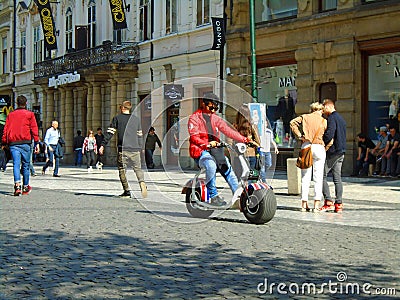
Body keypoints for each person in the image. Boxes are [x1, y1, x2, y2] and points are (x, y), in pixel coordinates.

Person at [188, 92, 249, 206]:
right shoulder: (194, 118)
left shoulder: (215, 118)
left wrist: (245, 140)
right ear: (204, 104)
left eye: (215, 108)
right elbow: (194, 137)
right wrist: (207, 144)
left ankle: (238, 196)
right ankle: (213, 196)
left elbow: (228, 131)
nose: (213, 110)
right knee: (211, 166)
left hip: (216, 150)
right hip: (201, 151)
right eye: (211, 107)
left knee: (227, 168)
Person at [99, 100, 147, 198]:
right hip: (135, 149)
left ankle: (126, 191)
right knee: (137, 169)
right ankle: (142, 183)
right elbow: (140, 135)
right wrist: (141, 147)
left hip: (123, 149)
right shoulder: (136, 119)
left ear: (123, 108)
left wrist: (103, 145)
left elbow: (110, 133)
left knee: (122, 169)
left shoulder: (117, 118)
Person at [290, 102, 327, 212]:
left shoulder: (305, 117)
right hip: (319, 146)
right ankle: (316, 204)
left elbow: (292, 123)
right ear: (320, 110)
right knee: (318, 177)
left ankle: (304, 203)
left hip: (307, 145)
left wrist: (300, 136)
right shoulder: (324, 121)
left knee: (305, 177)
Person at [1, 95, 39, 196]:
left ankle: (17, 185)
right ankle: (25, 186)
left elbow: (6, 129)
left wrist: (4, 142)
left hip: (14, 143)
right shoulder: (30, 114)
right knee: (26, 165)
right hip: (26, 142)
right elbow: (34, 128)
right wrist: (37, 142)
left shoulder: (11, 115)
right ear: (26, 103)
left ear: (17, 103)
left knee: (16, 165)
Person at [320, 99, 346, 213]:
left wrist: (322, 142)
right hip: (341, 151)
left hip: (333, 151)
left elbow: (330, 133)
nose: (323, 111)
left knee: (321, 176)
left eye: (323, 108)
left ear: (328, 107)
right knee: (337, 178)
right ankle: (338, 204)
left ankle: (328, 201)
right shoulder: (341, 118)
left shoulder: (331, 118)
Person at [233, 105, 261, 169]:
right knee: (250, 177)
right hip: (251, 154)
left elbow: (230, 142)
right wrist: (251, 141)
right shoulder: (252, 126)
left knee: (239, 177)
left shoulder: (234, 126)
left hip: (238, 155)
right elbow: (258, 142)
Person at [260, 118, 279, 183]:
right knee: (262, 166)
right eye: (263, 123)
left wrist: (275, 148)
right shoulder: (259, 131)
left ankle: (261, 174)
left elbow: (272, 141)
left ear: (267, 124)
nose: (264, 124)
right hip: (261, 150)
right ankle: (263, 181)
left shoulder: (269, 131)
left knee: (268, 164)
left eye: (265, 123)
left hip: (267, 150)